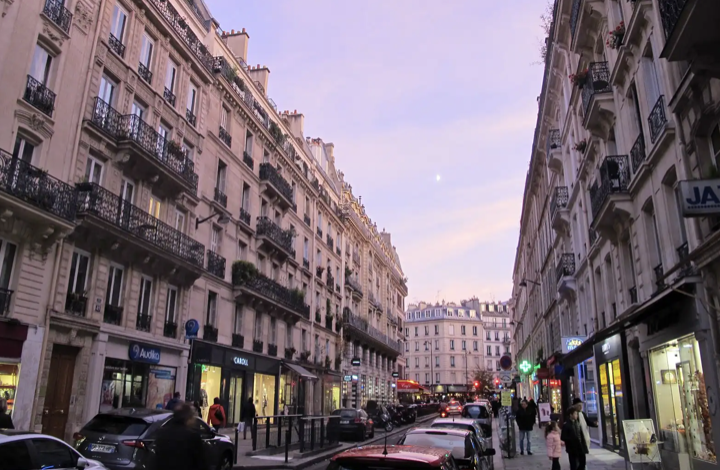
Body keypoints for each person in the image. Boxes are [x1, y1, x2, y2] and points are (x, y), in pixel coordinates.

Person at [153, 403, 207, 470]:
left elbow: (157, 460)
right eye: (193, 417)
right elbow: (200, 463)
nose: (194, 420)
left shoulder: (162, 433)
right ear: (187, 418)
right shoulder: (192, 436)